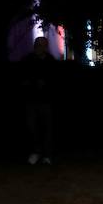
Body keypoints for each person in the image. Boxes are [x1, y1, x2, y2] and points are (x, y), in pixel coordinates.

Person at [20, 35, 59, 166]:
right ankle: (36, 151)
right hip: (31, 99)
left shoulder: (50, 61)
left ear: (45, 47)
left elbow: (55, 80)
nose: (38, 47)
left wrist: (45, 84)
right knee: (32, 127)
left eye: (41, 45)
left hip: (46, 100)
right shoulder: (28, 60)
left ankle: (47, 154)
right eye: (37, 45)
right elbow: (22, 78)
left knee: (47, 128)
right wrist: (31, 83)